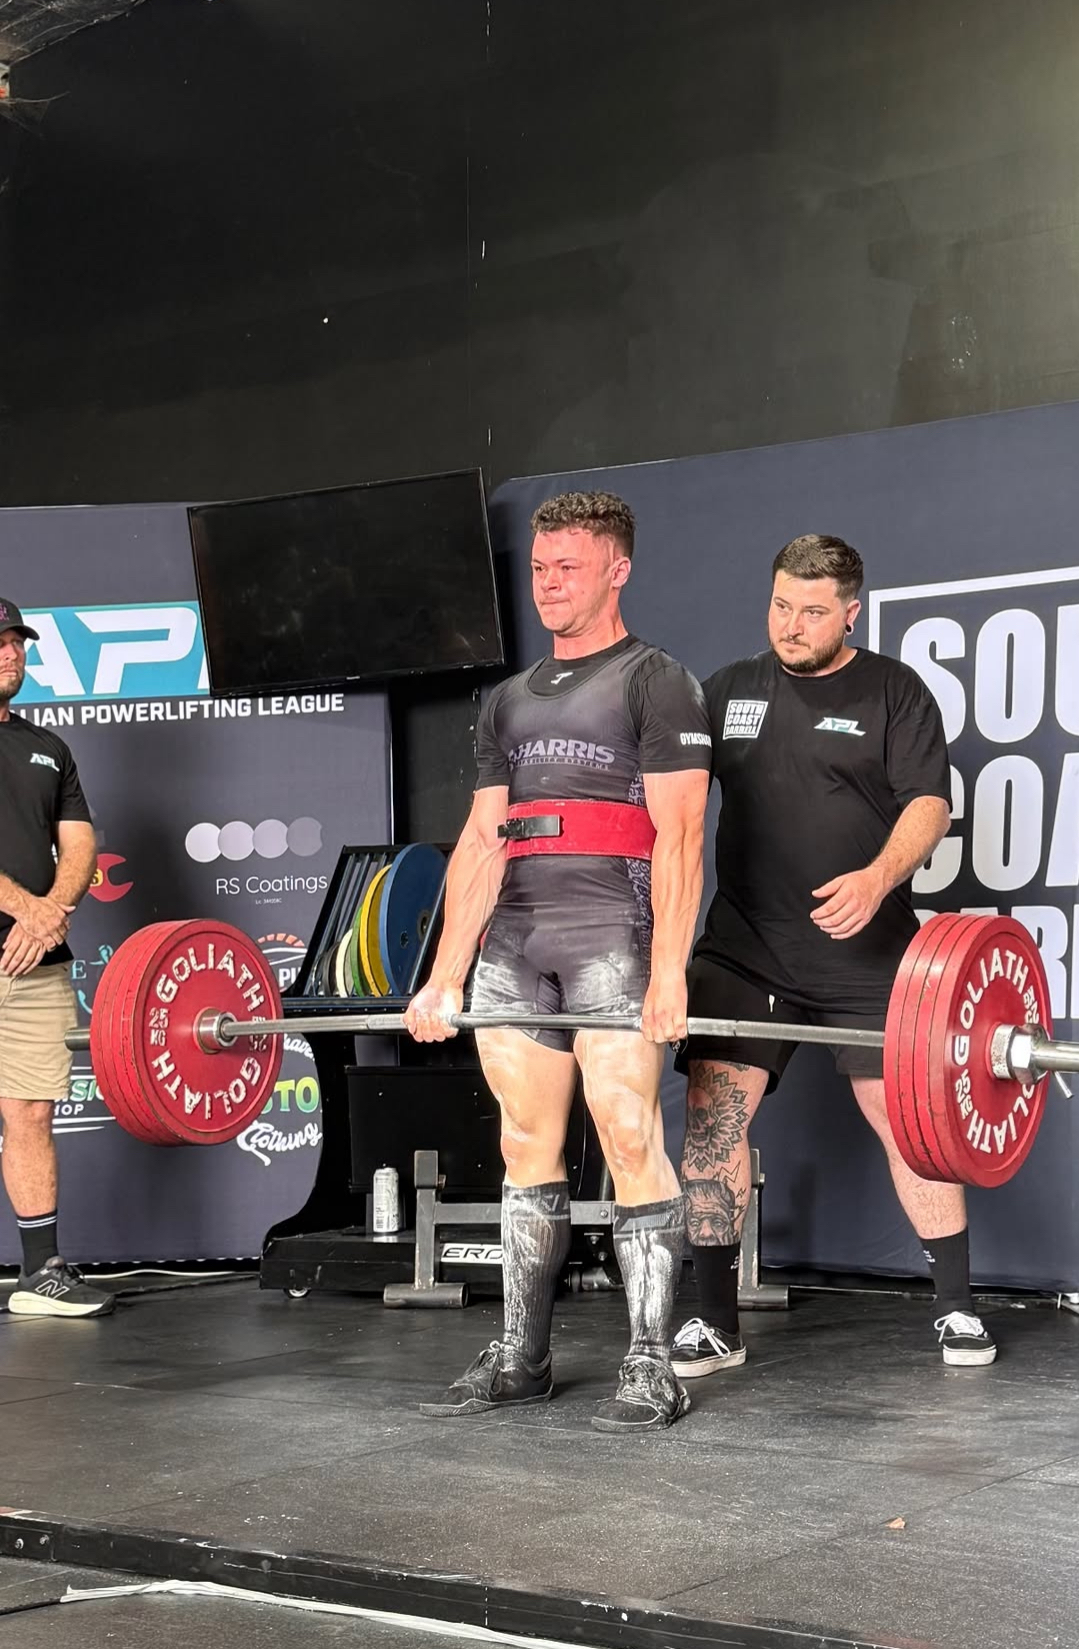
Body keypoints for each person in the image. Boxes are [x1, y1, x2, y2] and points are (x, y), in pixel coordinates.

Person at [406, 492, 711, 1431]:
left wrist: (669, 970)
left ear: (617, 569)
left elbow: (681, 836)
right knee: (522, 1146)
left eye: (567, 567)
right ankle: (522, 1358)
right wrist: (445, 970)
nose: (548, 583)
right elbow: (481, 840)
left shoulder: (656, 681)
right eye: (539, 568)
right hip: (517, 940)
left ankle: (651, 1363)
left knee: (627, 1135)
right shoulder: (504, 699)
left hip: (611, 935)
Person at [671, 535, 995, 1379]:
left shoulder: (894, 691)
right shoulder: (729, 690)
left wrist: (879, 875)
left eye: (812, 611)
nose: (791, 624)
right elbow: (670, 805)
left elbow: (928, 804)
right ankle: (713, 1321)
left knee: (909, 1127)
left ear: (850, 611)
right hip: (744, 951)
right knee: (711, 1126)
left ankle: (956, 1306)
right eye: (780, 605)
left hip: (864, 950)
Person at [0, 599, 112, 1317]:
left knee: (30, 1113)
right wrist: (25, 906)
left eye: (16, 643)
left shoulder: (49, 747)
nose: (11, 655)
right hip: (27, 930)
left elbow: (79, 844)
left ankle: (39, 1273)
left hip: (33, 964)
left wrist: (52, 914)